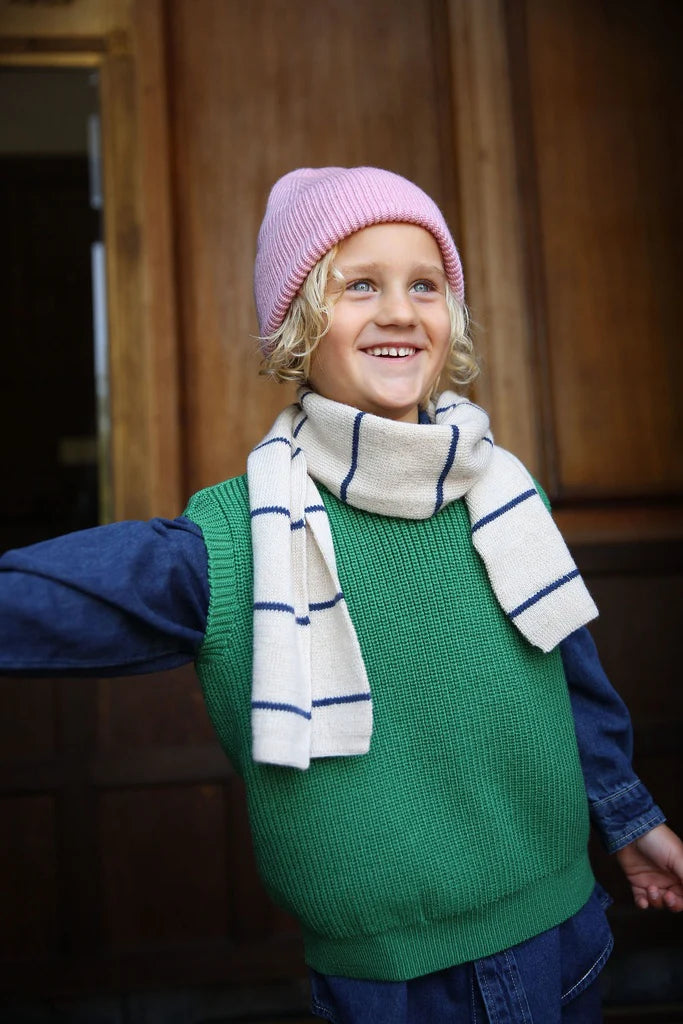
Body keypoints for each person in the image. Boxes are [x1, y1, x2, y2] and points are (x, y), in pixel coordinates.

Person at [1, 167, 681, 1023]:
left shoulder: (509, 496)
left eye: (424, 286)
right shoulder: (235, 541)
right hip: (394, 988)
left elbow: (570, 681)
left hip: (567, 938)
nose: (399, 310)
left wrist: (628, 819)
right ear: (296, 327)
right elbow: (41, 601)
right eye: (359, 285)